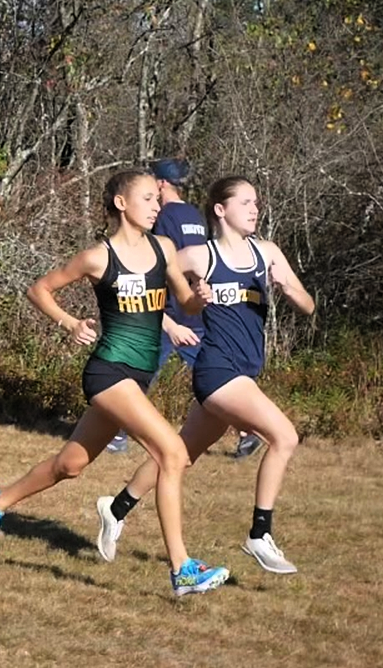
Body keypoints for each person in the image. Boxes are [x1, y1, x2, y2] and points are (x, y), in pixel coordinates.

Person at [0, 168, 229, 597]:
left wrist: (198, 299)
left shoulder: (164, 249)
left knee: (69, 465)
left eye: (157, 199)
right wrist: (70, 322)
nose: (156, 206)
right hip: (108, 372)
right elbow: (40, 289)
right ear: (122, 203)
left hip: (136, 378)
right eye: (148, 199)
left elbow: (184, 302)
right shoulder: (98, 257)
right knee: (173, 451)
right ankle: (182, 569)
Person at [96, 175, 314, 574]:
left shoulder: (267, 253)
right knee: (284, 436)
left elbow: (308, 305)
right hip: (216, 369)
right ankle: (259, 533)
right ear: (221, 210)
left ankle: (116, 507)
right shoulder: (199, 256)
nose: (254, 209)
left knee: (181, 454)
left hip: (246, 369)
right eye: (245, 202)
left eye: (256, 203)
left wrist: (286, 287)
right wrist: (169, 324)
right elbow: (139, 287)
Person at [108, 158, 261, 458]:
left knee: (141, 370)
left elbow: (158, 261)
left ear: (162, 184)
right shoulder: (194, 215)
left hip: (166, 309)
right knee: (221, 374)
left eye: (154, 182)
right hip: (197, 306)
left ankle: (117, 433)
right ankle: (247, 430)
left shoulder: (163, 218)